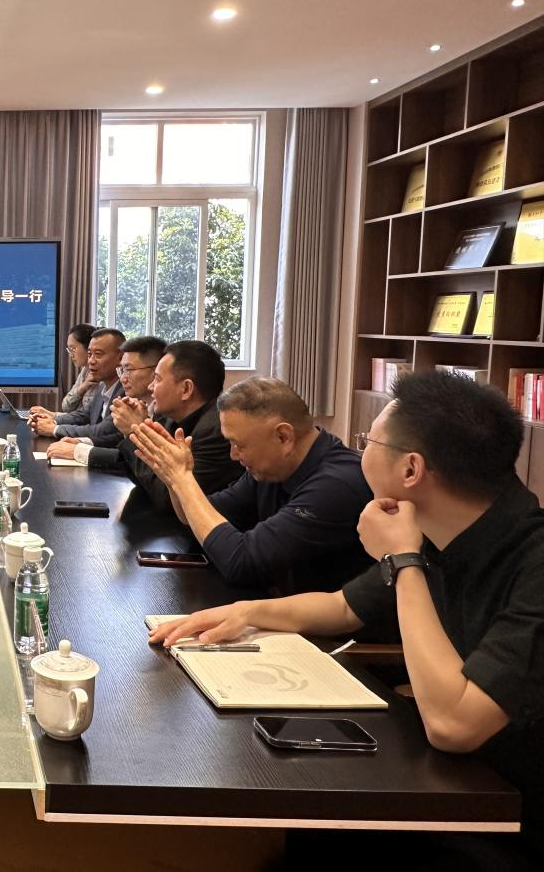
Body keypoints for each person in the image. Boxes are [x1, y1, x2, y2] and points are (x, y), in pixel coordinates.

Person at [149, 373, 544, 869]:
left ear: (411, 468)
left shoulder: (527, 561)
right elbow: (342, 607)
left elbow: (454, 725)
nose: (359, 451)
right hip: (447, 787)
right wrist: (245, 613)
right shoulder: (440, 530)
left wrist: (403, 562)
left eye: (368, 441)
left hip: (504, 821)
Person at [130, 376, 374, 594]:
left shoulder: (336, 485)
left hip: (330, 630)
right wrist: (172, 478)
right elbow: (195, 517)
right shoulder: (271, 468)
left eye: (239, 444)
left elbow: (241, 563)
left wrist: (182, 478)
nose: (233, 455)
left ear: (283, 437)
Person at [72, 340, 241, 512]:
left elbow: (167, 499)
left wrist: (135, 431)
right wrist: (139, 430)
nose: (151, 386)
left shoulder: (215, 432)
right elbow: (141, 476)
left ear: (186, 389)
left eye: (157, 379)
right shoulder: (168, 417)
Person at [45, 335, 165, 460]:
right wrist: (83, 443)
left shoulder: (167, 414)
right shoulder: (107, 388)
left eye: (129, 370)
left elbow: (142, 461)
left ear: (155, 371)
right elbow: (118, 439)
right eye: (122, 370)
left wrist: (79, 451)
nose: (123, 378)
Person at [27, 328, 125, 442]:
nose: (91, 361)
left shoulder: (126, 392)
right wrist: (52, 420)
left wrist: (54, 429)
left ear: (120, 358)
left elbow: (101, 431)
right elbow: (83, 415)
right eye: (89, 354)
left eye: (98, 354)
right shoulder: (102, 386)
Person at [60, 323, 99, 413]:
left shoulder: (101, 374)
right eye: (69, 350)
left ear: (89, 346)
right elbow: (66, 406)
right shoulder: (85, 371)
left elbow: (88, 417)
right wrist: (83, 387)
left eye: (73, 349)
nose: (71, 355)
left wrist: (54, 416)